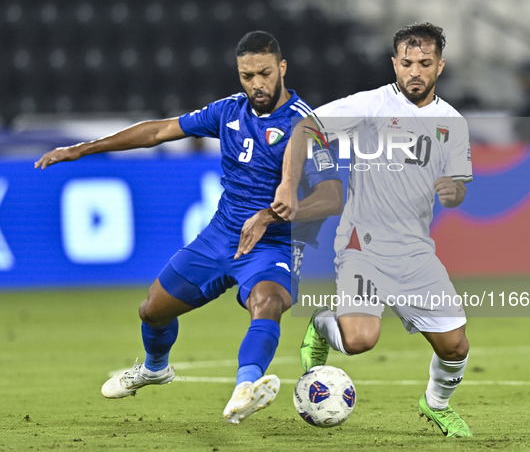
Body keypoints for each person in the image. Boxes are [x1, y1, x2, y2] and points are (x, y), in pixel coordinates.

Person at [35, 31, 343, 425]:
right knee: (152, 311)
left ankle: (245, 388)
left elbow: (333, 197)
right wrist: (81, 149)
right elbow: (158, 131)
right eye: (246, 75)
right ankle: (154, 368)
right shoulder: (229, 111)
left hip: (274, 245)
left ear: (282, 68)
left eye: (264, 73)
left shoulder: (306, 125)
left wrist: (272, 214)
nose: (256, 84)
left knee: (267, 302)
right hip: (220, 236)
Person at [271, 23, 474, 438]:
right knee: (361, 340)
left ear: (440, 66)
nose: (414, 71)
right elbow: (306, 127)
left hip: (417, 253)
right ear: (394, 63)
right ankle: (323, 325)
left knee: (455, 348)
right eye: (407, 63)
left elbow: (459, 187)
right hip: (362, 245)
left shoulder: (452, 122)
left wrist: (454, 191)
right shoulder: (370, 105)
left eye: (424, 63)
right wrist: (290, 182)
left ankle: (436, 404)